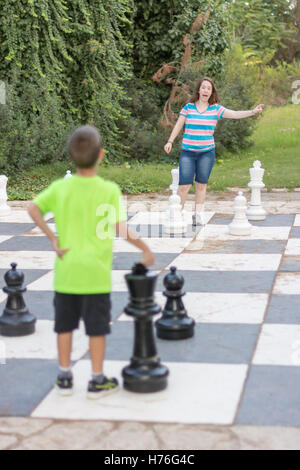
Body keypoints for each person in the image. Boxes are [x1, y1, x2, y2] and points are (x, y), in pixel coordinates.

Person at [28, 125, 155, 399]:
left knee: (64, 326)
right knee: (97, 330)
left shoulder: (60, 188)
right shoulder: (108, 189)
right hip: (96, 276)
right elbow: (120, 227)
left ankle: (64, 377)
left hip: (66, 274)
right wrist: (145, 248)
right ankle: (96, 380)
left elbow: (33, 208)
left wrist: (52, 238)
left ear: (72, 157)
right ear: (102, 154)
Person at [164, 77, 264, 225]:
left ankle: (197, 215)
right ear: (199, 90)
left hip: (206, 153)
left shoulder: (216, 109)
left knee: (201, 185)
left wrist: (253, 111)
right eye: (203, 87)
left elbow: (235, 114)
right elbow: (178, 125)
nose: (205, 90)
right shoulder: (188, 108)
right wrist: (170, 141)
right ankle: (177, 215)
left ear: (212, 92)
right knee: (184, 185)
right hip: (188, 152)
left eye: (209, 88)